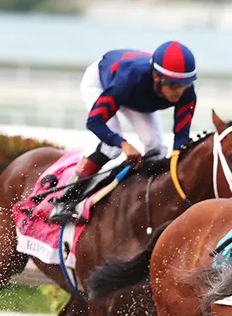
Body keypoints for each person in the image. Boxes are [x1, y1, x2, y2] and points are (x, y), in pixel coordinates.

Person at [49, 40, 198, 225]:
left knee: (158, 148)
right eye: (174, 85)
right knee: (111, 149)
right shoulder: (129, 78)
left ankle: (146, 196)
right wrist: (123, 143)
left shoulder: (187, 94)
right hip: (103, 84)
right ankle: (65, 199)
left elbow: (181, 138)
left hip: (139, 97)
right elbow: (95, 122)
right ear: (156, 77)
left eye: (184, 85)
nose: (180, 92)